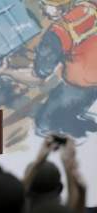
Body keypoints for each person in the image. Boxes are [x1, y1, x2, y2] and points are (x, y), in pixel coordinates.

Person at [34, 0, 97, 137]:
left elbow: (52, 43)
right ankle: (73, 117)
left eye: (45, 5)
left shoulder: (69, 23)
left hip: (78, 80)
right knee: (83, 100)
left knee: (57, 108)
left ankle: (47, 126)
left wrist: (42, 70)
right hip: (92, 79)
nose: (43, 11)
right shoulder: (89, 11)